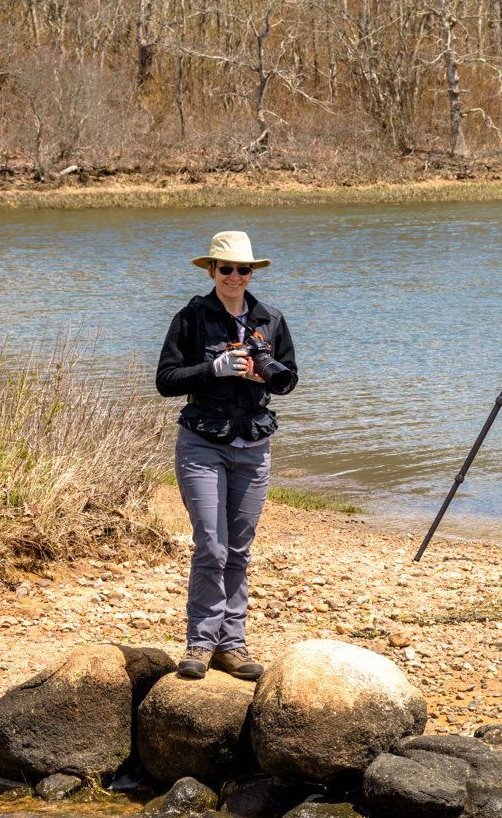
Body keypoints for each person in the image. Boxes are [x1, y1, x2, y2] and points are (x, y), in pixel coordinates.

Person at [155, 231, 298, 680]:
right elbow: (165, 380)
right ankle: (200, 641)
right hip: (202, 440)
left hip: (253, 444)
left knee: (239, 549)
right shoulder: (192, 318)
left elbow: (289, 378)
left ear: (252, 273)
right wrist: (212, 369)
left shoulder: (270, 318)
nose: (235, 276)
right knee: (211, 547)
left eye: (243, 269)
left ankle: (231, 645)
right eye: (226, 269)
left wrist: (262, 377)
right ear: (212, 270)